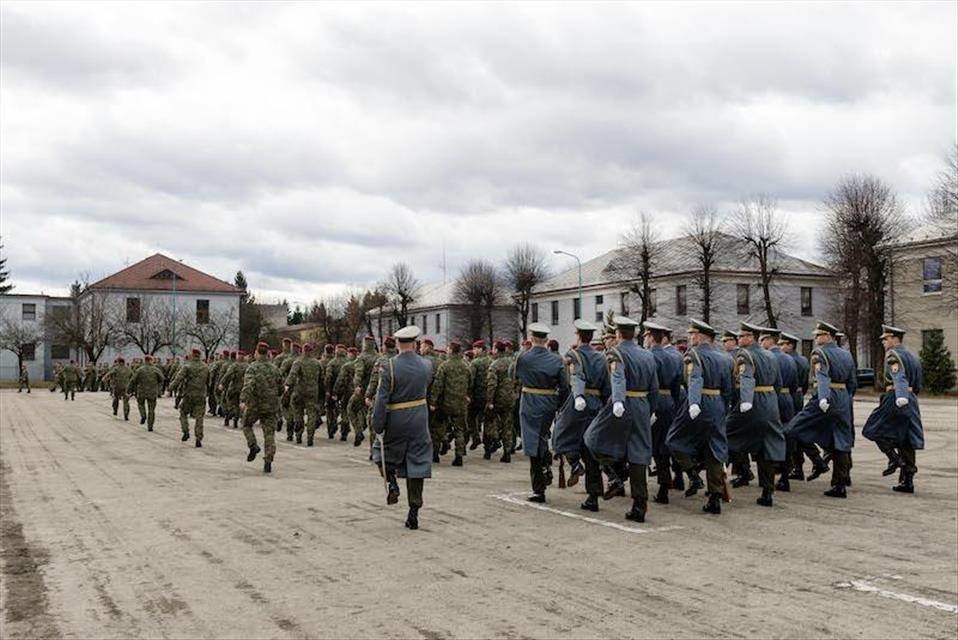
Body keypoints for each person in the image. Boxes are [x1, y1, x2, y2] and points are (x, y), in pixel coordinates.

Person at [583, 317, 658, 521]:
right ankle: (640, 504)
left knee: (592, 438)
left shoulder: (616, 352)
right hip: (642, 404)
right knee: (639, 453)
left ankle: (614, 473)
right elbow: (654, 387)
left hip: (622, 403)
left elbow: (618, 378)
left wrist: (617, 401)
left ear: (617, 334)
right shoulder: (647, 355)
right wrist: (651, 409)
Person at [666, 319, 734, 515]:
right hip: (718, 404)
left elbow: (694, 379)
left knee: (674, 440)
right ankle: (714, 497)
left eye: (692, 334)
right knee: (714, 450)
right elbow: (728, 389)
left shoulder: (693, 355)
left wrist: (694, 403)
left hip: (698, 402)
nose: (690, 337)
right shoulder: (725, 358)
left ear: (700, 336)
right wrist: (724, 408)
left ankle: (693, 473)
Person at [371, 325, 433, 530]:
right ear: (415, 343)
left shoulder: (389, 366)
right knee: (417, 462)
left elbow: (381, 398)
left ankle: (392, 482)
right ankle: (414, 511)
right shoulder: (427, 364)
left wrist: (377, 425)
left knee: (381, 454)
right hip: (420, 418)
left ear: (397, 343)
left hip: (396, 418)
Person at [786, 321, 857, 498]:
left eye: (819, 335)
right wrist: (845, 399)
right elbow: (852, 383)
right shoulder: (846, 354)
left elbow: (823, 377)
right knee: (839, 441)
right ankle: (840, 484)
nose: (816, 338)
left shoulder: (819, 353)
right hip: (842, 398)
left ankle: (818, 461)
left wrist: (824, 397)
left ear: (828, 336)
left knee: (793, 429)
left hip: (825, 397)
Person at [725, 323, 787, 507]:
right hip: (770, 402)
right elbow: (778, 383)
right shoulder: (770, 355)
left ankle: (718, 481)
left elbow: (746, 378)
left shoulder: (744, 355)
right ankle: (767, 491)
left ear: (751, 337)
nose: (739, 339)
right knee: (765, 448)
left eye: (742, 336)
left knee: (723, 435)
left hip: (751, 403)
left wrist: (744, 401)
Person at [552, 320, 609, 509]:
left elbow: (576, 377)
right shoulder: (602, 357)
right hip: (597, 403)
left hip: (579, 401)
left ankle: (575, 464)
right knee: (590, 447)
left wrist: (576, 396)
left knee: (560, 435)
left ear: (578, 335)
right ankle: (593, 495)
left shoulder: (573, 354)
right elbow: (607, 387)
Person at [862, 325, 924, 493]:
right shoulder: (912, 356)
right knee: (906, 439)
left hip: (896, 397)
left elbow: (899, 377)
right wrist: (909, 397)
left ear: (894, 339)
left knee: (871, 429)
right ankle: (908, 481)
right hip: (911, 399)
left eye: (886, 338)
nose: (883, 342)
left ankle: (894, 459)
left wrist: (901, 396)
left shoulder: (893, 355)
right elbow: (917, 382)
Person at [514, 322, 569, 503]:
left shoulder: (523, 357)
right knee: (542, 437)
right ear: (546, 340)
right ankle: (546, 463)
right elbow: (564, 386)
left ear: (531, 339)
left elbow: (512, 376)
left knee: (532, 443)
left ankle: (539, 488)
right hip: (549, 403)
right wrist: (559, 405)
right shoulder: (557, 359)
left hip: (530, 401)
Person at [644, 321, 684, 505]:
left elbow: (648, 384)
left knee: (656, 446)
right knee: (666, 443)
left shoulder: (648, 356)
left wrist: (651, 407)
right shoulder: (673, 357)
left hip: (654, 402)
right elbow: (678, 384)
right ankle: (676, 477)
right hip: (669, 402)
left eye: (646, 336)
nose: (645, 339)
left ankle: (663, 486)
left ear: (652, 337)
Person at [429, 340, 473, 466]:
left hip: (445, 403)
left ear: (451, 350)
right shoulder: (466, 365)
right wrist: (467, 395)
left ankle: (435, 454)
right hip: (461, 403)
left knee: (438, 427)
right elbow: (471, 382)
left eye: (448, 348)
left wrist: (433, 401)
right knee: (459, 430)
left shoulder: (445, 366)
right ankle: (459, 456)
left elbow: (438, 385)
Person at [241, 341, 282, 473]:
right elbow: (281, 388)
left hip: (255, 404)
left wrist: (243, 400)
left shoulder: (252, 367)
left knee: (246, 424)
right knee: (269, 433)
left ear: (257, 353)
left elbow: (248, 385)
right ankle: (268, 460)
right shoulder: (275, 369)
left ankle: (253, 445)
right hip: (271, 405)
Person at [485, 340, 517, 462]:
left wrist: (489, 401)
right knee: (508, 425)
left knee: (490, 422)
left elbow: (491, 385)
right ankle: (507, 452)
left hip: (498, 399)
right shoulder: (513, 363)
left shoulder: (495, 365)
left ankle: (494, 440)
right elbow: (518, 380)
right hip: (510, 398)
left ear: (497, 350)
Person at [286, 343, 322, 445]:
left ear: (302, 351)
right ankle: (310, 437)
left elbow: (292, 375)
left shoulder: (298, 362)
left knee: (298, 413)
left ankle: (298, 436)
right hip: (313, 392)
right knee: (311, 415)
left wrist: (287, 385)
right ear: (311, 351)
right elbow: (321, 378)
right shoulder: (317, 363)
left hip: (300, 391)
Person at [172, 348, 209, 447]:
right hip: (201, 395)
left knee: (183, 413)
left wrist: (171, 387)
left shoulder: (187, 366)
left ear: (192, 355)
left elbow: (178, 378)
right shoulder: (206, 367)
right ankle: (198, 438)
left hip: (189, 394)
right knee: (199, 418)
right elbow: (209, 381)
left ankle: (185, 431)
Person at [350, 336, 380, 448]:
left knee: (351, 408)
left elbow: (359, 372)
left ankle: (359, 431)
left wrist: (357, 385)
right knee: (373, 416)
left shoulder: (361, 358)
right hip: (376, 391)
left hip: (363, 390)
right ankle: (374, 447)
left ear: (364, 344)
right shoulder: (379, 357)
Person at [127, 354, 165, 431]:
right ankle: (150, 426)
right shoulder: (156, 370)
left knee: (140, 404)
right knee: (151, 410)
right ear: (150, 360)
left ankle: (143, 415)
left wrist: (129, 390)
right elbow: (162, 379)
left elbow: (133, 380)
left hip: (141, 391)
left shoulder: (140, 370)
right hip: (152, 392)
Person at [468, 340, 491, 451]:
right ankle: (488, 445)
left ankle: (476, 437)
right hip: (489, 396)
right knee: (488, 420)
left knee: (471, 418)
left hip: (477, 396)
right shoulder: (492, 361)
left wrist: (468, 394)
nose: (474, 351)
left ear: (481, 349)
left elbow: (471, 381)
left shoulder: (475, 363)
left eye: (476, 349)